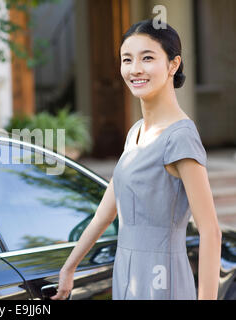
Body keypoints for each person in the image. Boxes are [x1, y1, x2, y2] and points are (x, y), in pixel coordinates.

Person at [51, 19, 222, 300]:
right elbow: (105, 214)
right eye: (127, 59)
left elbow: (210, 231)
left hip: (163, 280)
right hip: (127, 276)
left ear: (173, 65)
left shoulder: (180, 137)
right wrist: (69, 268)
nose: (135, 69)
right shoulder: (135, 133)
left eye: (147, 58)